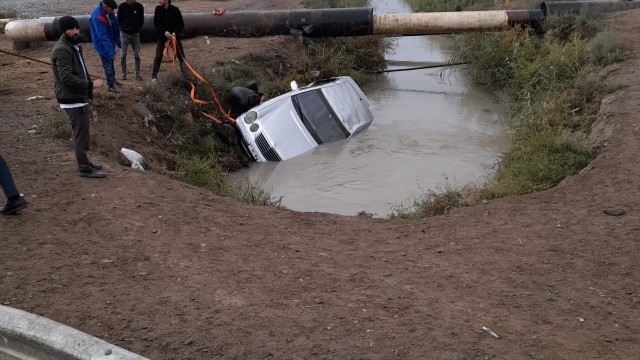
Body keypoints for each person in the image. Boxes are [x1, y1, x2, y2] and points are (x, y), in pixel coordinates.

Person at [51, 16, 107, 178]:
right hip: (72, 99)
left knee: (83, 133)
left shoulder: (72, 46)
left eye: (76, 28)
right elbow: (66, 78)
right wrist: (91, 85)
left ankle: (86, 163)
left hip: (77, 97)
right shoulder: (62, 49)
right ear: (64, 31)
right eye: (71, 29)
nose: (76, 31)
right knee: (80, 135)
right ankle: (84, 168)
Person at [90, 0, 122, 92]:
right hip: (102, 45)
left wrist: (117, 41)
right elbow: (102, 37)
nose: (112, 11)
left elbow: (115, 26)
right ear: (105, 6)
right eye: (111, 9)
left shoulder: (109, 12)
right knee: (107, 64)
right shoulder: (97, 17)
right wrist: (111, 52)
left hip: (110, 41)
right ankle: (111, 86)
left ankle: (113, 80)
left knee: (111, 63)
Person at [151, 0, 185, 83]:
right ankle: (154, 78)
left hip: (174, 38)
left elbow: (181, 24)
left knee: (181, 56)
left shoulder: (175, 10)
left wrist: (175, 33)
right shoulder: (158, 9)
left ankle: (186, 76)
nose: (159, 1)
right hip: (162, 37)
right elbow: (156, 24)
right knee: (158, 56)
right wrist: (164, 32)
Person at [117, 0, 144, 81]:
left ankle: (137, 74)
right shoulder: (122, 6)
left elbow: (141, 20)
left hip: (135, 34)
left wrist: (136, 29)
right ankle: (123, 74)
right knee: (123, 55)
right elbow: (118, 19)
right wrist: (123, 28)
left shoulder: (139, 6)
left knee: (137, 55)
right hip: (124, 33)